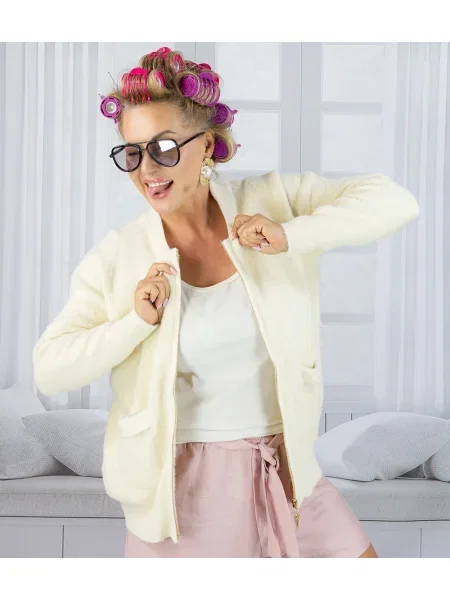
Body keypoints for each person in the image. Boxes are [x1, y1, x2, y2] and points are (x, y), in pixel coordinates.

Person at [33, 47, 419, 558]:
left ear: (207, 145)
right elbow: (50, 369)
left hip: (289, 475)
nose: (147, 169)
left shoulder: (273, 202)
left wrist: (291, 235)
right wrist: (136, 322)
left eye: (163, 147)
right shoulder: (118, 256)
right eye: (132, 152)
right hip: (185, 493)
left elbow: (395, 201)